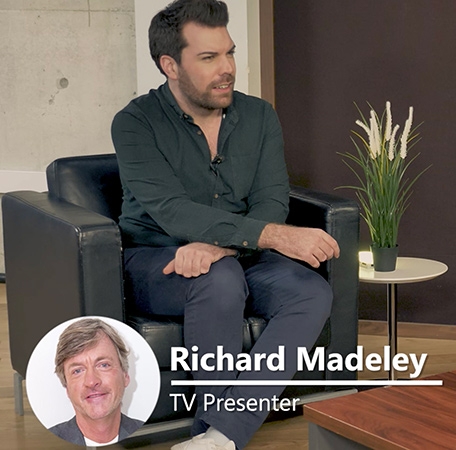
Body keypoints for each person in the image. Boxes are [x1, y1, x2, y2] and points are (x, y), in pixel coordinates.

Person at [111, 1, 340, 449]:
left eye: (229, 53)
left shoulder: (258, 115)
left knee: (310, 290)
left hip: (240, 255)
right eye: (209, 58)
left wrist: (226, 246)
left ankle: (220, 435)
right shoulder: (135, 123)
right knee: (217, 279)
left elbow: (272, 198)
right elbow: (172, 211)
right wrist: (269, 237)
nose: (227, 69)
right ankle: (210, 433)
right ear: (170, 65)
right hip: (155, 259)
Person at [50, 318, 144, 446]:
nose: (91, 381)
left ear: (125, 376)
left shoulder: (150, 435)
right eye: (78, 371)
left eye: (103, 365)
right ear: (67, 388)